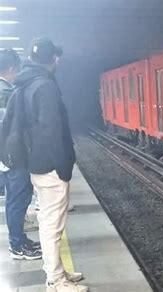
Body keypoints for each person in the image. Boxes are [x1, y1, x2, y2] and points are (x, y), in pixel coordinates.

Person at [17, 37, 87, 292]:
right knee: (52, 225)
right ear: (54, 59)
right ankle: (56, 281)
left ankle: (57, 272)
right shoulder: (45, 86)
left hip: (37, 161)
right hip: (50, 165)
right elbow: (51, 129)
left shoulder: (27, 82)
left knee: (50, 222)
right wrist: (64, 166)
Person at [0, 49, 42, 260]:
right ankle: (17, 245)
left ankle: (18, 240)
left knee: (12, 201)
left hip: (5, 158)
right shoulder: (6, 93)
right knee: (17, 201)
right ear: (13, 69)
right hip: (12, 157)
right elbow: (10, 130)